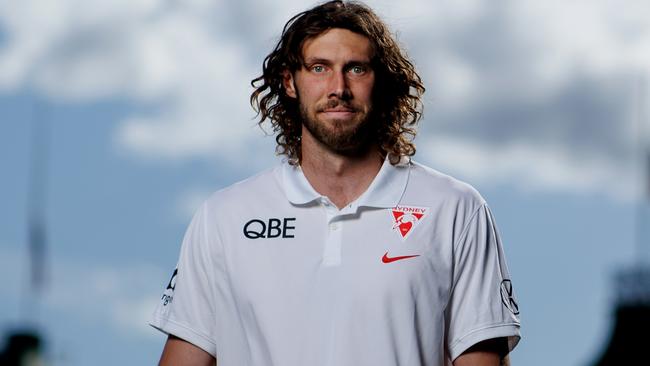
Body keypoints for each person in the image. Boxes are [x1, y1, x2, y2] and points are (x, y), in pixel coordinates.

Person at [149, 1, 521, 365]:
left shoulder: (455, 209)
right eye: (319, 68)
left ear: (383, 82)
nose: (338, 87)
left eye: (356, 69)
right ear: (289, 83)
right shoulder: (224, 217)